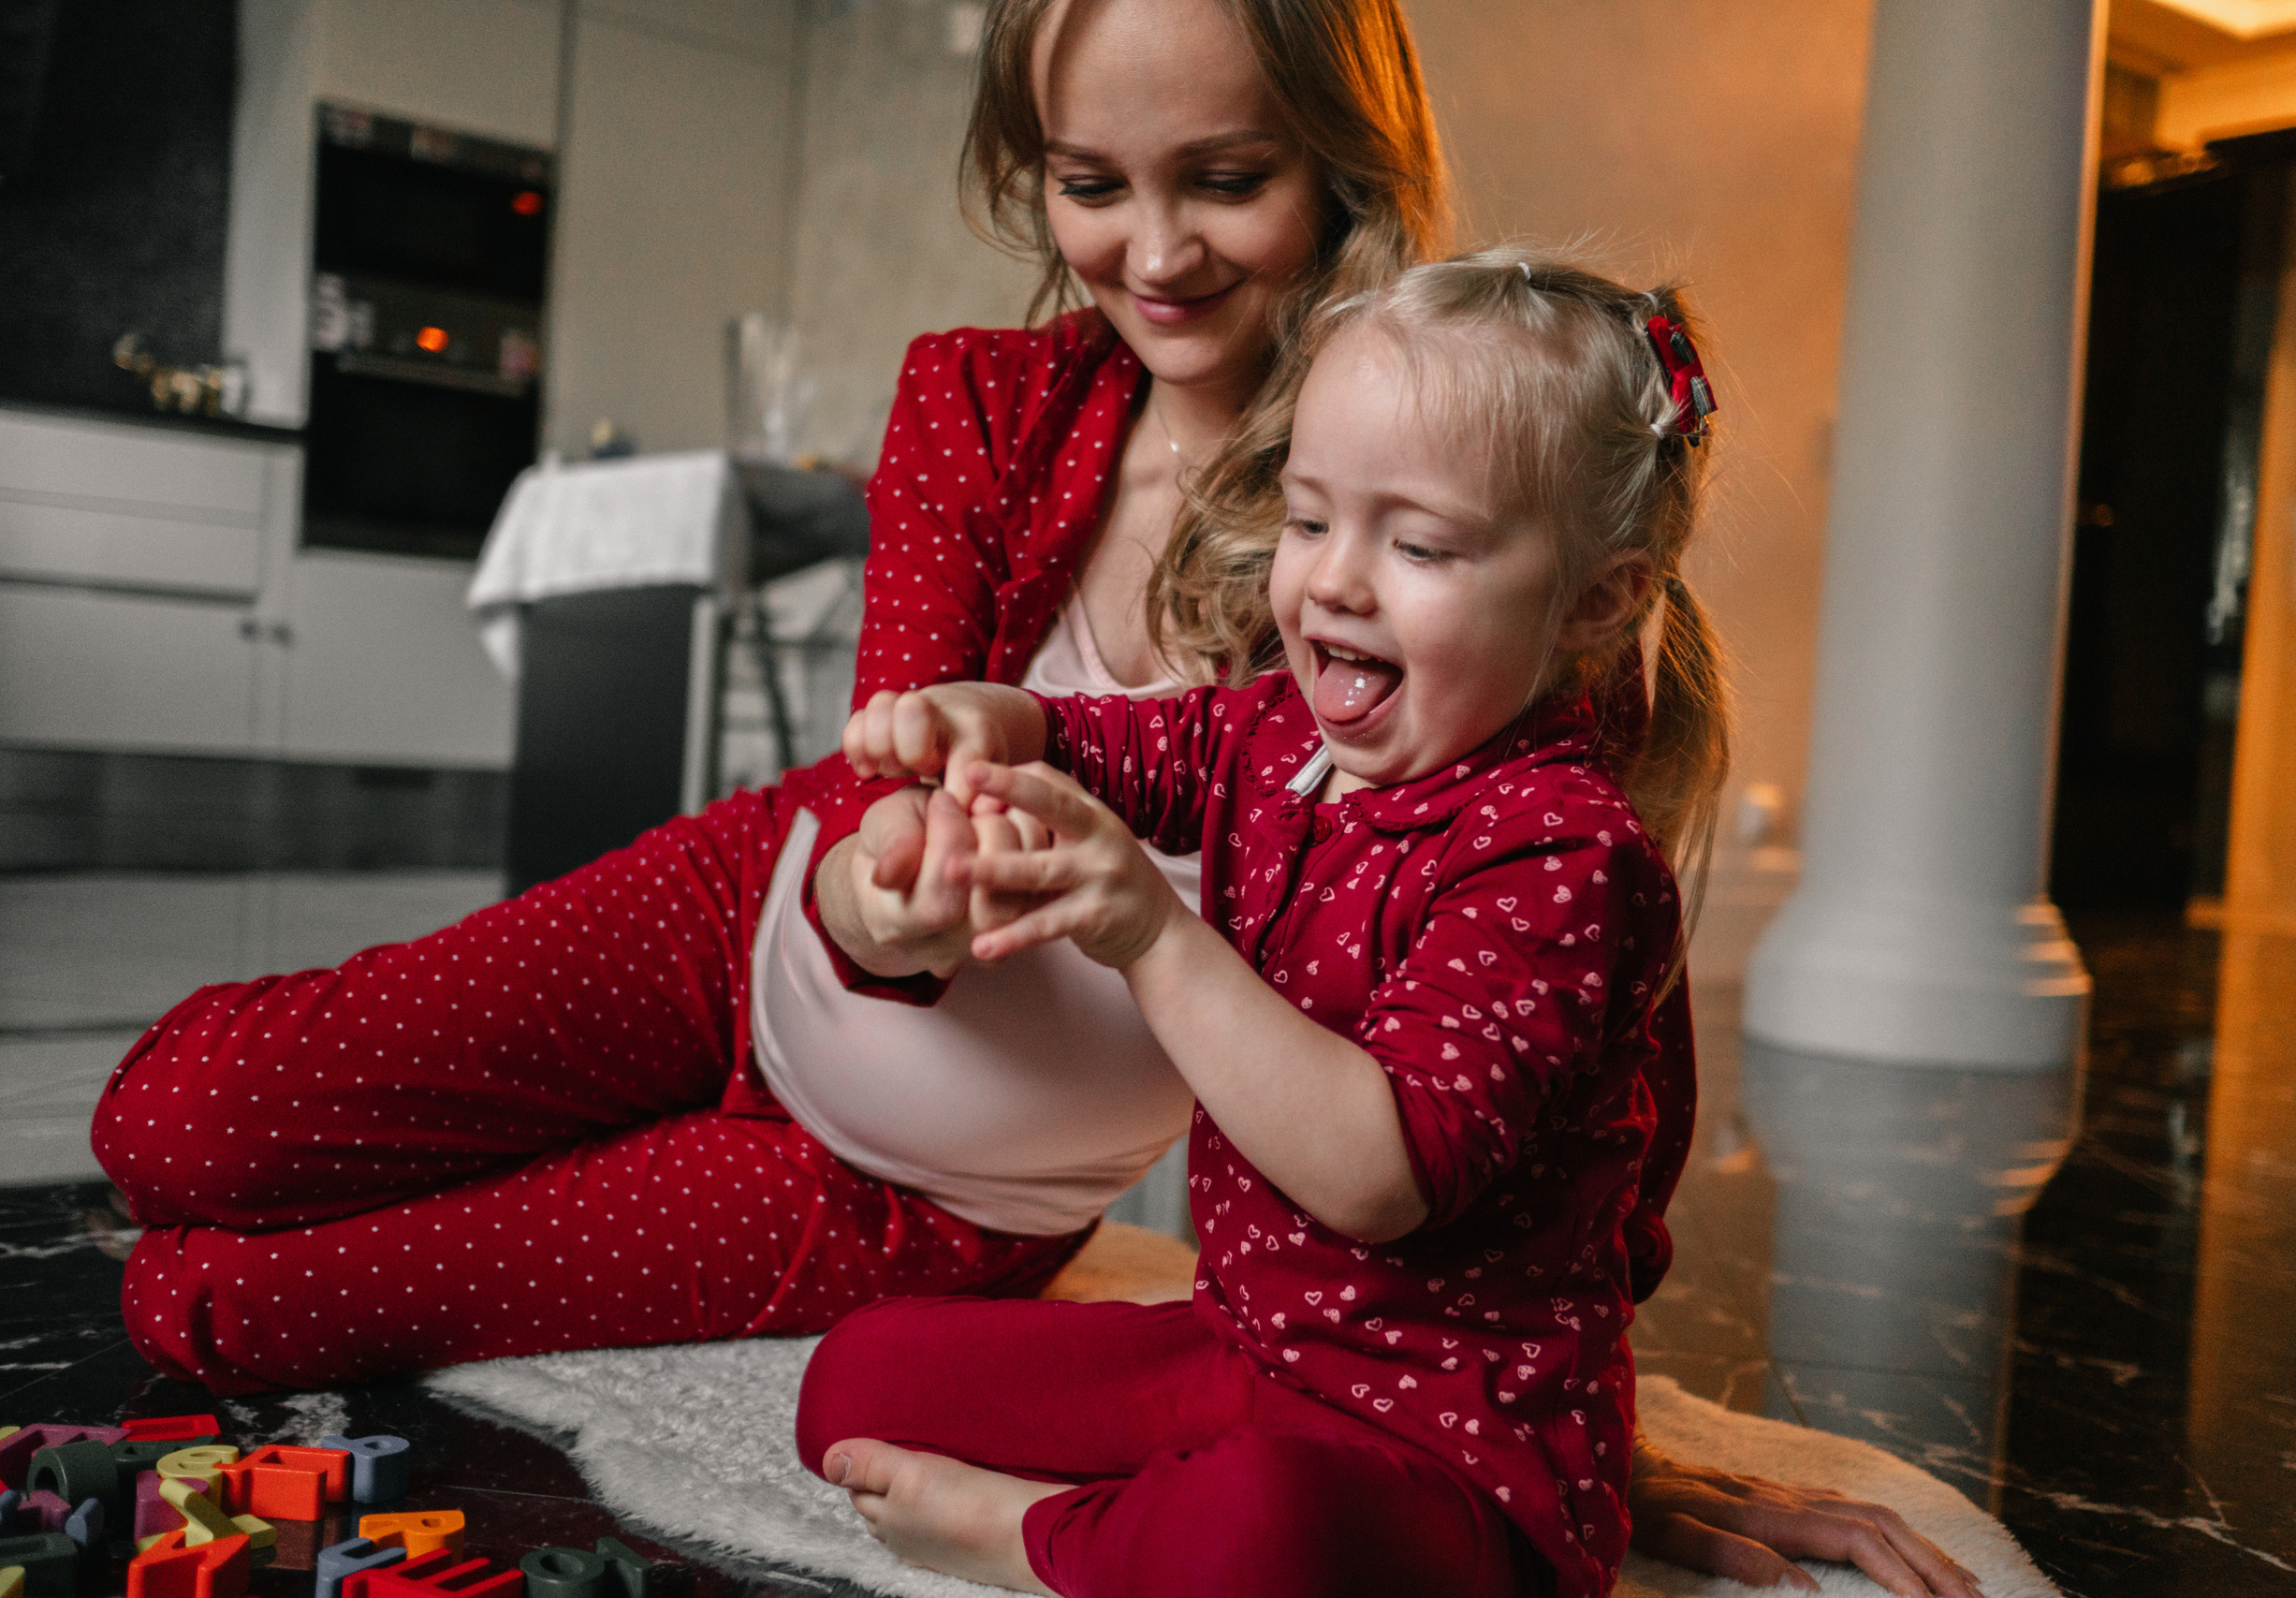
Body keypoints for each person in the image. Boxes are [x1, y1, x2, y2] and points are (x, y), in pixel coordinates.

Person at [90, 0, 1967, 1589]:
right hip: (740, 923)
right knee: (170, 1118)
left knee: (215, 1309)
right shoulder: (980, 406)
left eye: (1220, 178)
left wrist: (1586, 1417)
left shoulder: (1475, 546)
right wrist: (873, 886)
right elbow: (892, 751)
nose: (1151, 249)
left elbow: (1588, 1050)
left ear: (1338, 166)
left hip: (906, 1190)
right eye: (1091, 184)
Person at [797, 253, 1983, 1598]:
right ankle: (1156, 1524)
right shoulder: (1280, 735)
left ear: (1598, 599)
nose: (1334, 585)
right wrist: (991, 720)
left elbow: (1377, 1171)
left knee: (1258, 1531)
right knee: (858, 1381)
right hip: (1251, 1359)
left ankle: (1037, 1548)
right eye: (1309, 521)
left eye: (1417, 545)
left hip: (1462, 1465)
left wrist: (1150, 936)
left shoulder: (1564, 854)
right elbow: (1107, 742)